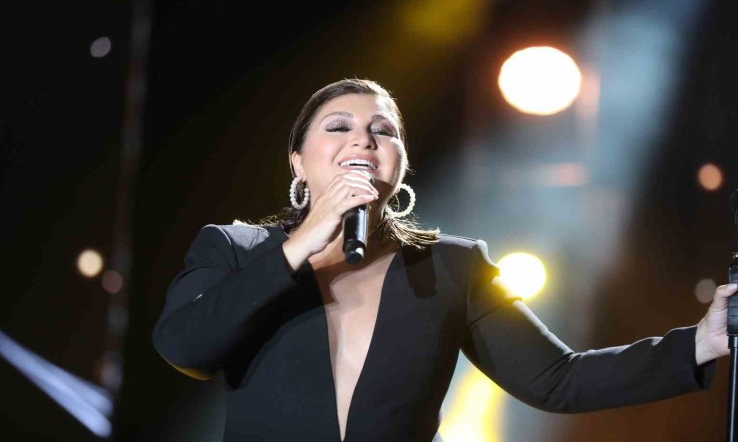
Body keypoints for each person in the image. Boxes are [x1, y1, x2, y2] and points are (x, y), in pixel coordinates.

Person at [152, 78, 735, 442]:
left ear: (400, 163)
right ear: (299, 162)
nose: (364, 140)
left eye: (383, 131)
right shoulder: (235, 249)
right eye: (339, 127)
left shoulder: (452, 268)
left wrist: (699, 343)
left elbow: (558, 380)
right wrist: (302, 243)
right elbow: (185, 347)